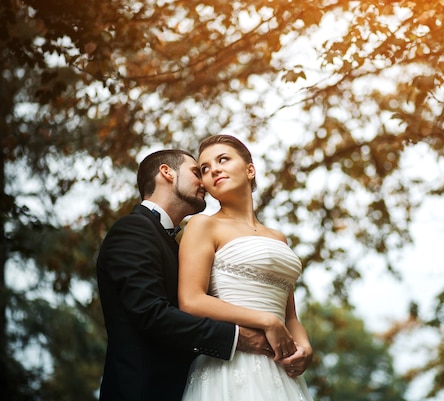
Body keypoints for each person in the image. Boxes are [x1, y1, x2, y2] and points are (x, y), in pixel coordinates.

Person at [96, 149, 271, 401]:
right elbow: (150, 314)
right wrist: (237, 338)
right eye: (197, 172)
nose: (205, 181)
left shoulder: (176, 245)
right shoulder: (132, 229)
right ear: (166, 172)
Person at [178, 135, 315, 401]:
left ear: (250, 169)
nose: (214, 169)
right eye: (205, 168)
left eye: (223, 159)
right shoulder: (202, 225)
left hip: (281, 369)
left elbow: (290, 317)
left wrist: (306, 347)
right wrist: (265, 321)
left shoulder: (278, 238)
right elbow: (191, 300)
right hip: (230, 364)